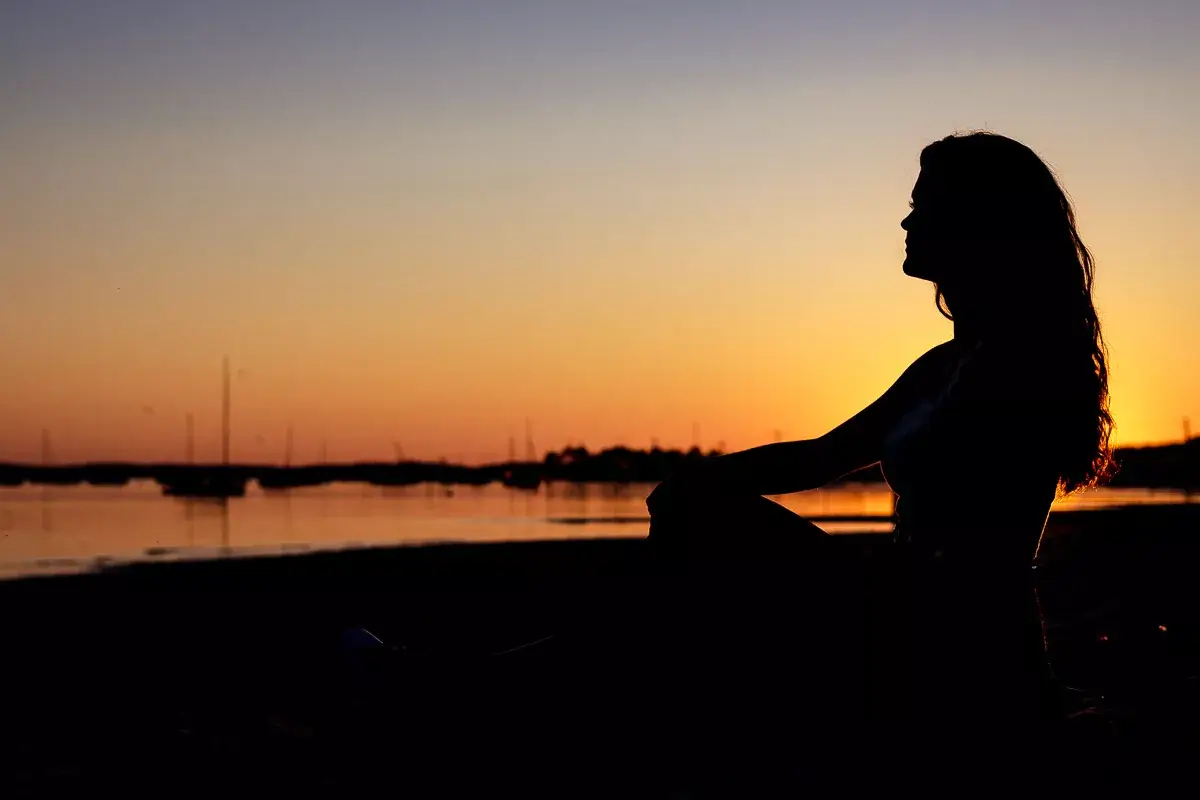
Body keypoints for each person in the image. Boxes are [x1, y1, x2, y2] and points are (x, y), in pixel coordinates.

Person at [646, 131, 1114, 720]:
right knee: (695, 514)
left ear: (978, 224)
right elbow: (821, 456)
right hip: (901, 600)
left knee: (704, 543)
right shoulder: (942, 365)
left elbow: (975, 555)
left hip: (957, 633)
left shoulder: (1021, 363)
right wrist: (695, 481)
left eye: (923, 206)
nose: (905, 222)